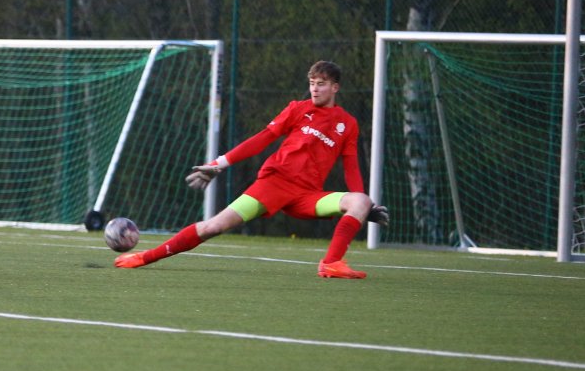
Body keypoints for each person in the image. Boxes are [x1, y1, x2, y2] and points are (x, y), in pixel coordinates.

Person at [115, 60, 388, 279]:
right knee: (214, 226)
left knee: (360, 200)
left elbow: (351, 166)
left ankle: (331, 263)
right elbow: (262, 139)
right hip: (274, 184)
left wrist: (365, 208)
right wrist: (219, 164)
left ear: (335, 87)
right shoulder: (298, 109)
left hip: (307, 195)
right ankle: (144, 257)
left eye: (322, 84)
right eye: (312, 83)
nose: (315, 89)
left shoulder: (347, 124)